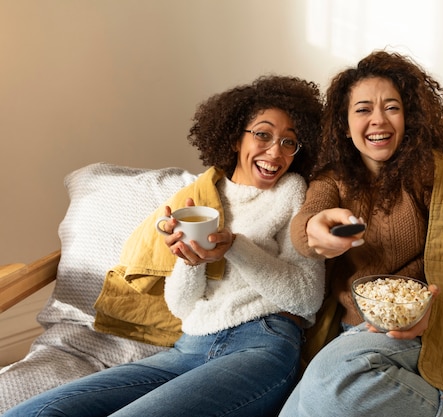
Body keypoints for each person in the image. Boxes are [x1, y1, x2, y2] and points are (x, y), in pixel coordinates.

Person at [4, 75, 326, 417]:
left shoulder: (292, 191)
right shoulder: (202, 197)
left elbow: (306, 297)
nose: (275, 152)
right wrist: (189, 260)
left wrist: (233, 246)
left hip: (261, 344)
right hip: (189, 345)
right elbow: (181, 306)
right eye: (263, 134)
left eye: (289, 142)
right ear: (235, 137)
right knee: (35, 413)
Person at [278, 51, 443, 417]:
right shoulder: (332, 180)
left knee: (331, 381)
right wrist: (316, 231)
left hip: (425, 327)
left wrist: (433, 313)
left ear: (408, 118)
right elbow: (307, 222)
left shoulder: (430, 173)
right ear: (344, 124)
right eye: (362, 109)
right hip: (356, 330)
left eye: (391, 107)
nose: (378, 120)